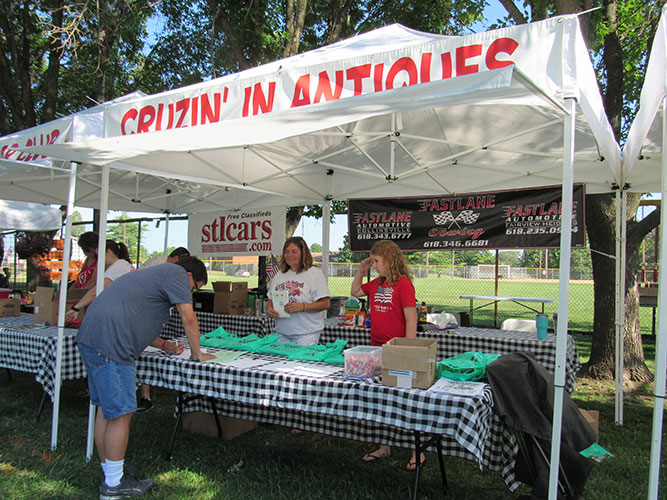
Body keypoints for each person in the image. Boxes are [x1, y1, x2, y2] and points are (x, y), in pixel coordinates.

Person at [75, 256, 214, 499]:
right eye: (195, 288)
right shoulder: (177, 274)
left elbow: (135, 319)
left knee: (104, 411)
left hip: (93, 337)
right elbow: (189, 318)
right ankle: (113, 487)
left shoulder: (152, 277)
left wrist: (164, 344)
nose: (190, 293)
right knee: (120, 414)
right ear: (190, 276)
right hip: (113, 346)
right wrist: (197, 354)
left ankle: (112, 473)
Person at [350, 239, 421, 470]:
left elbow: (412, 318)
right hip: (376, 349)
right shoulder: (376, 283)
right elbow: (355, 291)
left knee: (406, 400)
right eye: (373, 262)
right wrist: (361, 272)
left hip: (397, 350)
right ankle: (384, 445)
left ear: (390, 260)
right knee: (381, 399)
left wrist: (407, 350)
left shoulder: (403, 284)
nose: (375, 266)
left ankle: (416, 450)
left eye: (377, 261)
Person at [136, 246, 190, 412]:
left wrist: (165, 345)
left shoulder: (160, 263)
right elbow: (189, 318)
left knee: (146, 343)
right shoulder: (160, 266)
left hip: (146, 312)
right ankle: (142, 395)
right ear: (176, 258)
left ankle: (145, 395)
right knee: (141, 348)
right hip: (141, 309)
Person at [265, 236, 330, 345]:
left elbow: (325, 303)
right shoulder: (279, 275)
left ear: (303, 253)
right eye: (286, 252)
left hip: (306, 335)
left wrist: (302, 307)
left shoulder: (314, 273)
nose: (289, 255)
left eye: (294, 251)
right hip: (281, 333)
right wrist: (269, 308)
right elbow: (271, 299)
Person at [64, 240, 134, 323]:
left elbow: (97, 289)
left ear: (108, 252)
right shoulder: (121, 265)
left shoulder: (119, 266)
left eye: (99, 255)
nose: (98, 259)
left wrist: (76, 307)